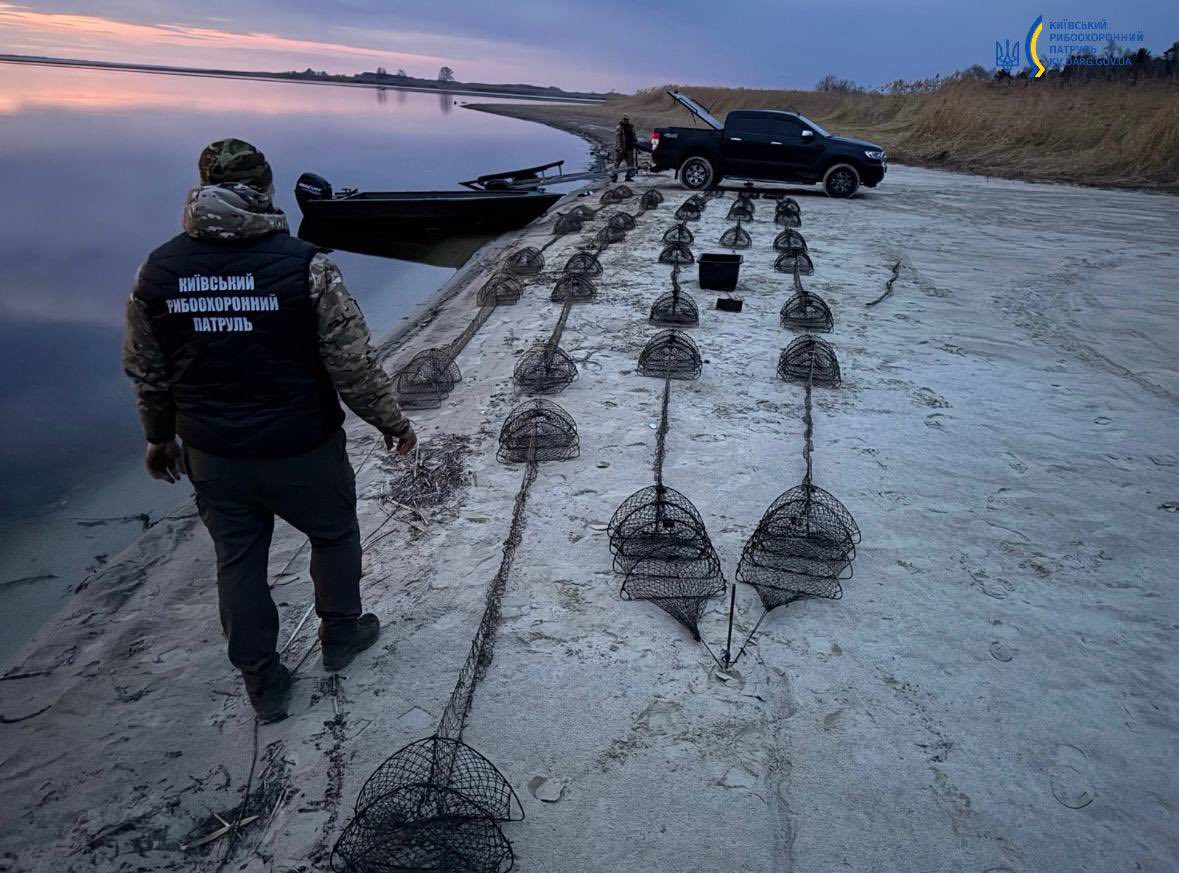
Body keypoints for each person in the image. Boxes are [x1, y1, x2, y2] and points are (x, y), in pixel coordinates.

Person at [123, 139, 417, 722]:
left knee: (238, 562)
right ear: (265, 188)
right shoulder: (306, 264)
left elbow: (146, 370)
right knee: (333, 536)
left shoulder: (158, 269)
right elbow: (351, 363)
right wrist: (390, 421)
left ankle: (263, 681)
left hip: (216, 454)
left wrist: (159, 437)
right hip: (303, 446)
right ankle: (339, 636)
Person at [611, 114, 638, 182]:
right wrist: (619, 148)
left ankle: (628, 177)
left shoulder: (631, 127)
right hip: (621, 148)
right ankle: (614, 177)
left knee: (630, 164)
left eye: (627, 119)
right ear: (622, 119)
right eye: (625, 119)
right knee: (617, 163)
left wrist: (636, 145)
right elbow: (618, 139)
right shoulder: (619, 127)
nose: (626, 120)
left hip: (629, 148)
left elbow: (634, 136)